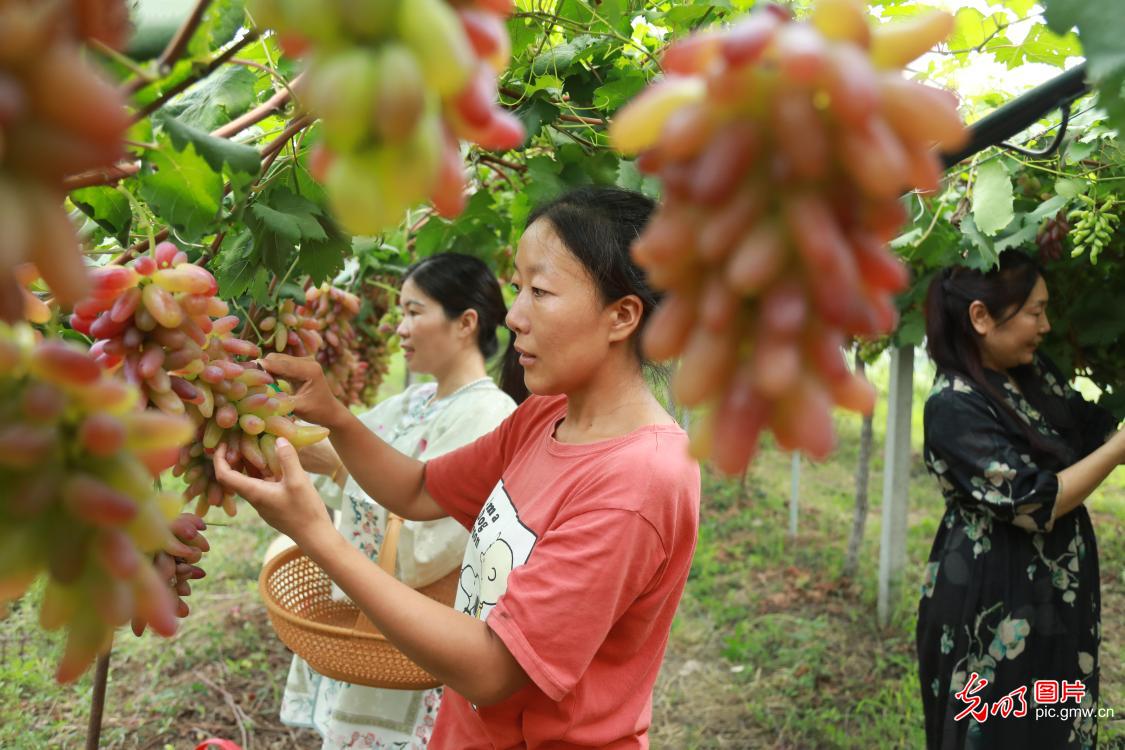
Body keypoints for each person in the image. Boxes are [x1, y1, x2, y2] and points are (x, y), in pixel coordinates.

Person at [214, 186, 701, 748]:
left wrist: (317, 536)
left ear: (622, 316)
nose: (514, 316)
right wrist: (336, 417)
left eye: (540, 292)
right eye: (517, 288)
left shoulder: (637, 482)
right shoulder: (544, 416)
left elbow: (493, 669)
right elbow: (420, 489)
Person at [278, 252, 524, 748]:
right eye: (400, 313)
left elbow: (428, 546)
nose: (400, 328)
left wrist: (338, 469)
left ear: (466, 323)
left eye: (414, 312)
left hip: (414, 638)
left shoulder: (491, 413)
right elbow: (343, 447)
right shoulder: (413, 401)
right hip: (372, 628)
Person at [917, 251, 1124, 749]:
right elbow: (1035, 504)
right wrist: (1120, 449)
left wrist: (1112, 440)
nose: (1046, 326)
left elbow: (1091, 429)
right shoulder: (952, 405)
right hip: (990, 597)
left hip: (1056, 591)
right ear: (981, 317)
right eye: (1035, 311)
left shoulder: (1030, 374)